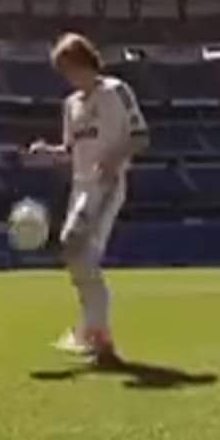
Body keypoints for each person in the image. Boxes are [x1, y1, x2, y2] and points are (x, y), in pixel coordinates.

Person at [28, 32, 150, 367]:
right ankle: (96, 335)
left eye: (72, 69)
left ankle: (94, 334)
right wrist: (47, 153)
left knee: (74, 244)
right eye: (64, 73)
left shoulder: (116, 92)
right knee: (78, 258)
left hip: (105, 185)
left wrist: (114, 158)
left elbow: (141, 137)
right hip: (79, 189)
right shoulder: (71, 105)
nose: (69, 78)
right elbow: (71, 151)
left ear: (86, 62)